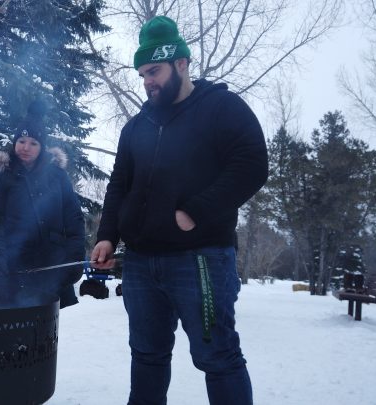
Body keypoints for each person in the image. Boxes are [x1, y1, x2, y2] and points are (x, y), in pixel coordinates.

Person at [90, 16, 268, 405]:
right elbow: (120, 183)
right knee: (147, 356)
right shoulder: (137, 126)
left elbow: (252, 164)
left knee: (218, 357)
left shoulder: (221, 107)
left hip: (200, 258)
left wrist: (196, 211)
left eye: (154, 70)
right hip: (140, 263)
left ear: (182, 63)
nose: (147, 81)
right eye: (142, 74)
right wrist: (107, 235)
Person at [0, 113, 85, 309]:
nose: (26, 147)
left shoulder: (57, 176)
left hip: (53, 267)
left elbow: (74, 218)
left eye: (33, 143)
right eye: (22, 141)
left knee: (49, 332)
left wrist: (75, 258)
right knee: (6, 330)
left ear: (42, 146)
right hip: (11, 267)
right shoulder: (0, 174)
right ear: (15, 142)